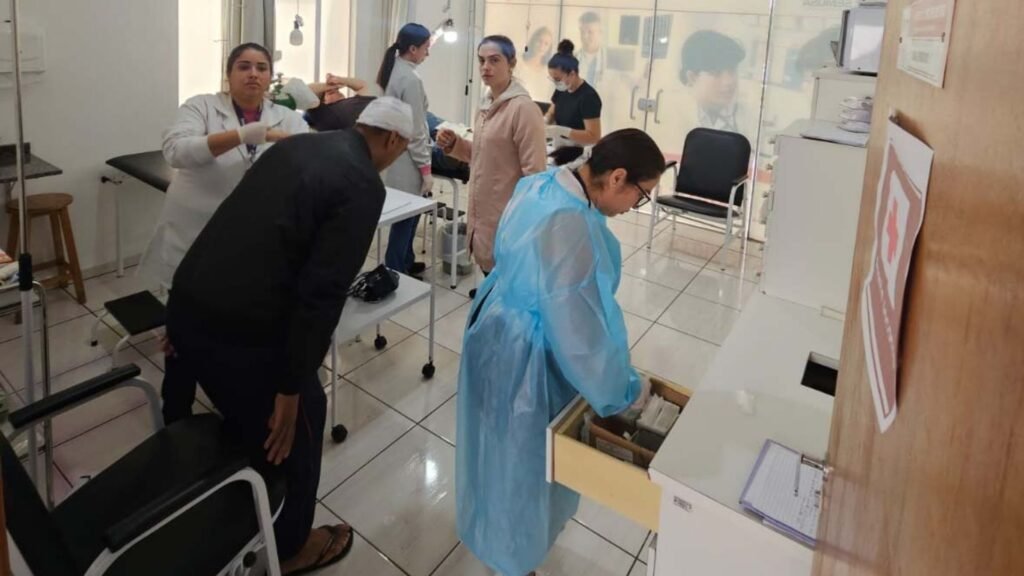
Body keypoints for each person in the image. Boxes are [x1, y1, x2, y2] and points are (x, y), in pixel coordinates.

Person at [164, 97, 414, 575]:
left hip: (190, 306)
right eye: (401, 150)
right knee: (301, 420)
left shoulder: (295, 147)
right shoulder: (362, 184)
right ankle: (292, 544)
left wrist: (181, 311)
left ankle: (239, 502)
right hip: (236, 330)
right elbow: (322, 292)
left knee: (242, 416)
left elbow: (224, 225)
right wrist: (291, 385)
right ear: (392, 139)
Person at [456, 128, 665, 576]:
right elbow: (580, 335)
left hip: (495, 326)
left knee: (493, 445)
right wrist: (625, 392)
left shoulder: (543, 184)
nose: (635, 206)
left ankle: (495, 541)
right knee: (522, 462)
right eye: (641, 195)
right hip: (528, 356)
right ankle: (513, 560)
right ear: (617, 177)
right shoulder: (571, 225)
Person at [151, 43, 351, 425]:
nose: (253, 74)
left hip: (250, 247)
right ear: (229, 74)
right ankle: (175, 417)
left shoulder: (286, 117)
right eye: (244, 66)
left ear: (270, 77)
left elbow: (309, 160)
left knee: (232, 331)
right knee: (182, 340)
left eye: (261, 67)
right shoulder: (201, 107)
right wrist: (243, 135)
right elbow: (176, 151)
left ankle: (233, 410)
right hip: (194, 239)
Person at [436, 35, 547, 277]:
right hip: (483, 211)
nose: (486, 67)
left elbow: (535, 176)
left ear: (511, 63)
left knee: (505, 280)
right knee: (489, 274)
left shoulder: (523, 109)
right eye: (482, 60)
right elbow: (483, 153)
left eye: (494, 60)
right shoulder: (486, 105)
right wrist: (455, 144)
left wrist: (525, 225)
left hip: (508, 216)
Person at [378, 23, 434, 279]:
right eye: (426, 48)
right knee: (405, 217)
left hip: (396, 154)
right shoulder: (409, 79)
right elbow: (416, 130)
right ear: (413, 49)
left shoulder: (395, 70)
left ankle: (406, 260)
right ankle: (395, 270)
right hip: (407, 159)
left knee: (410, 214)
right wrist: (426, 170)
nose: (427, 54)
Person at [679, 30, 749, 133]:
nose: (728, 81)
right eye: (716, 73)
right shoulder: (675, 115)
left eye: (732, 70)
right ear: (692, 78)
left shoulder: (749, 119)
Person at [544, 39, 602, 148]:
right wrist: (545, 120)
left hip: (580, 151)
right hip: (560, 147)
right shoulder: (561, 89)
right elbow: (552, 112)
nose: (556, 83)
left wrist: (562, 131)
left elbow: (594, 136)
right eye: (552, 79)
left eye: (557, 79)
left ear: (572, 74)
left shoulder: (588, 97)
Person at [518, 26, 555, 100]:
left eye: (546, 44)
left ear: (549, 48)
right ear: (533, 41)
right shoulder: (518, 63)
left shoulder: (548, 72)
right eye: (539, 41)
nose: (542, 46)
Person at [577, 11, 605, 85]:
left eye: (590, 32)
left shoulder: (610, 61)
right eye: (582, 32)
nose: (585, 36)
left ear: (600, 33)